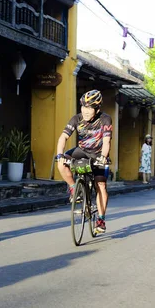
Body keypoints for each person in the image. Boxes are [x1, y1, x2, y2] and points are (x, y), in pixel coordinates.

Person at [55, 89, 112, 234]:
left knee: (101, 185)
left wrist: (103, 157)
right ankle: (74, 188)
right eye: (83, 107)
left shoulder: (105, 119)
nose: (85, 111)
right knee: (61, 163)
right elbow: (63, 138)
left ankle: (100, 219)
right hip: (81, 152)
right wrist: (60, 154)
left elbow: (106, 141)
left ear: (97, 109)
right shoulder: (76, 119)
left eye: (90, 108)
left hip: (98, 154)